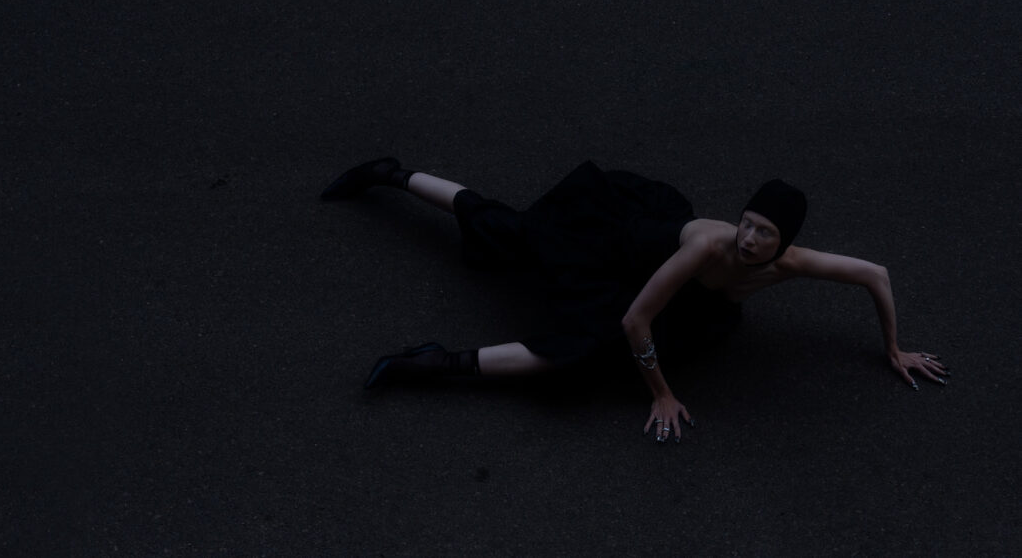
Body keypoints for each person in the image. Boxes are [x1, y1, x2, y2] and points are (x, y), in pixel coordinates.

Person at [320, 157, 949, 443]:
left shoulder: (795, 263)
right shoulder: (706, 247)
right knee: (510, 233)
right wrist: (662, 394)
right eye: (748, 223)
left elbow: (876, 274)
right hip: (616, 247)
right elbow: (636, 319)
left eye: (766, 234)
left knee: (576, 355)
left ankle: (436, 361)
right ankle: (391, 174)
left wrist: (894, 348)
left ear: (787, 243)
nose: (750, 238)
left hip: (682, 299)